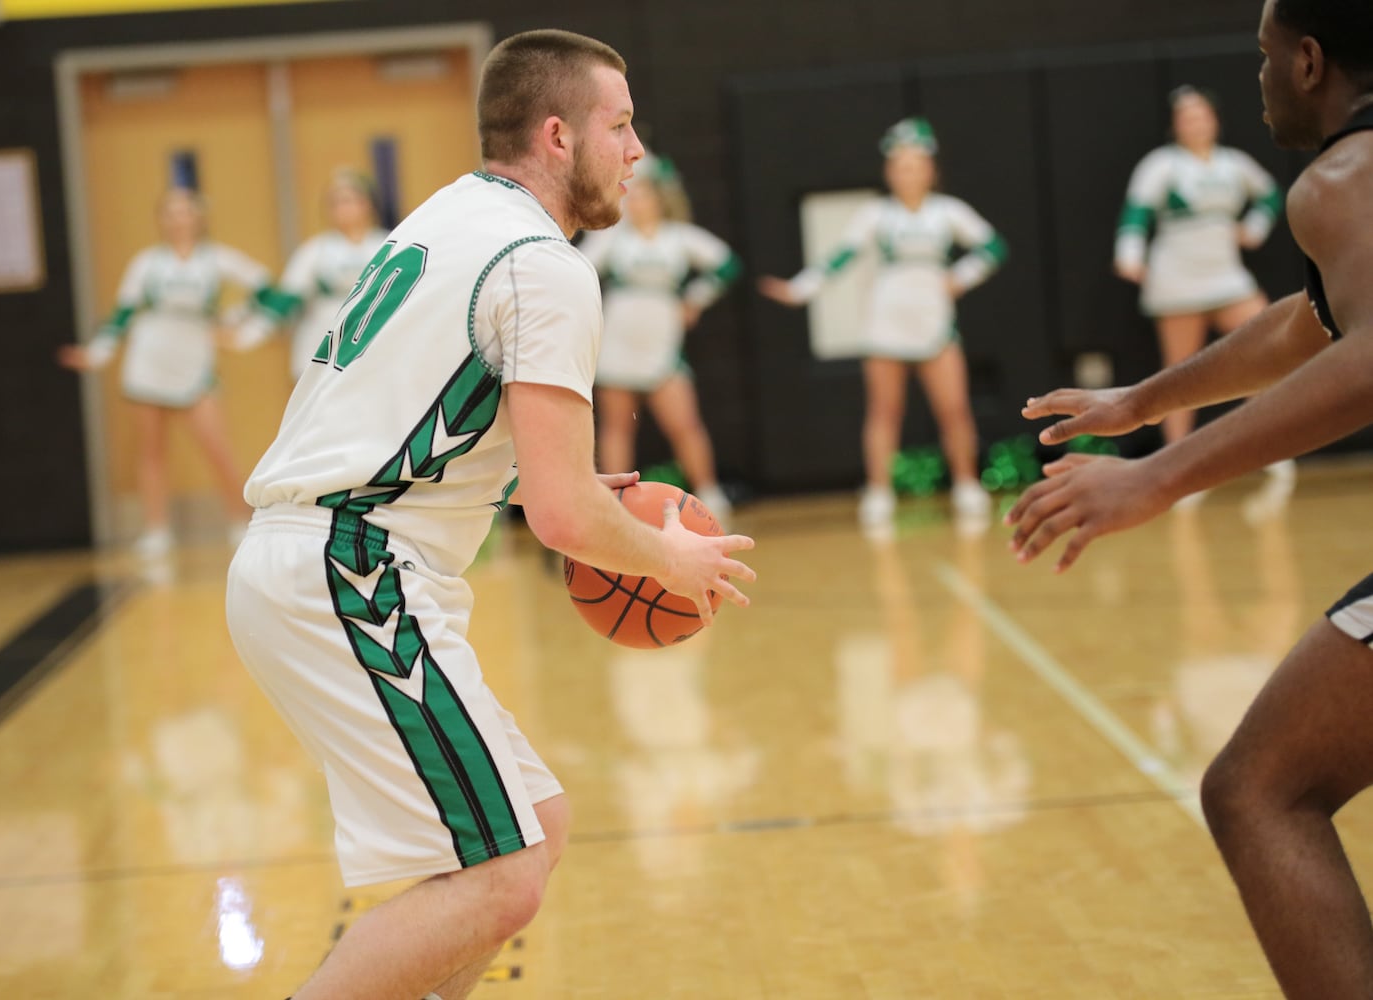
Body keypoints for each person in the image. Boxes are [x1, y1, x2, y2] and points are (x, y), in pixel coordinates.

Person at [224, 30, 755, 1000]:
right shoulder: (542, 265)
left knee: (533, 830)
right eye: (621, 125)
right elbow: (563, 516)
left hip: (325, 555)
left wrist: (581, 493)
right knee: (502, 877)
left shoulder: (448, 218)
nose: (638, 150)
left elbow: (434, 429)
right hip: (351, 568)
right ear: (559, 136)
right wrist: (666, 558)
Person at [1009, 2, 1373, 994]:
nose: (1255, 82)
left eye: (1262, 58)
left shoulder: (1345, 175)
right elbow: (1314, 320)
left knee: (1261, 790)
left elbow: (1367, 353)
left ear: (1307, 60)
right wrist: (1142, 400)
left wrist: (1158, 474)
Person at [759, 118, 1007, 532]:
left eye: (915, 165)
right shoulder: (876, 214)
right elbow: (840, 257)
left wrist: (961, 277)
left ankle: (967, 484)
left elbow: (993, 246)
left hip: (935, 324)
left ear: (930, 170)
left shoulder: (949, 212)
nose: (907, 173)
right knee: (884, 411)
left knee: (954, 410)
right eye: (899, 166)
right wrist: (802, 289)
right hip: (887, 324)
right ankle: (879, 491)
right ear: (889, 172)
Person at [59, 189, 282, 557]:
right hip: (148, 356)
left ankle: (240, 522)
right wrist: (97, 353)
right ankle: (156, 530)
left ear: (199, 217)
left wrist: (243, 328)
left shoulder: (218, 259)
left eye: (186, 212)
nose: (179, 219)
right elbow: (123, 313)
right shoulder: (146, 263)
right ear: (161, 220)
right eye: (171, 213)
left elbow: (270, 291)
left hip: (194, 357)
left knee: (216, 446)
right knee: (151, 450)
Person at [1115, 85, 1295, 510]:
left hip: (1226, 276)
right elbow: (1135, 213)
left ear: (1214, 121)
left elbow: (1271, 194)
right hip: (1177, 278)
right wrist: (1129, 255)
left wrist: (1253, 228)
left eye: (1201, 116)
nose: (1194, 123)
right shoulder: (1160, 166)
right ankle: (1177, 469)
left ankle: (1269, 445)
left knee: (1270, 349)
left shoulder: (1235, 164)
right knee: (1180, 374)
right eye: (1186, 117)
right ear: (1175, 125)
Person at [577, 155, 740, 521]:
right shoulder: (610, 237)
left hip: (663, 345)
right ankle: (613, 503)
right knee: (616, 428)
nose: (636, 201)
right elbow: (577, 267)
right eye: (630, 195)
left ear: (660, 197)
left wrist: (696, 298)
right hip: (618, 341)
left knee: (685, 424)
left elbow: (727, 264)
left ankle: (710, 494)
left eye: (644, 194)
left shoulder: (679, 237)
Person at [239, 169, 391, 381]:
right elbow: (287, 298)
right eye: (335, 203)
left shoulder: (388, 243)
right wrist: (250, 334)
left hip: (372, 339)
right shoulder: (315, 250)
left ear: (368, 204)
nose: (342, 208)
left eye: (349, 200)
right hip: (322, 339)